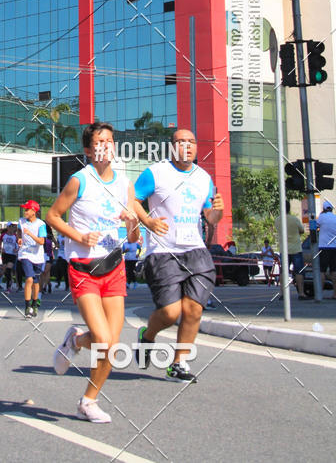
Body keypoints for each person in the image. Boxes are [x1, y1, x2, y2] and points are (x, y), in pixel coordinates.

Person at [47, 122, 139, 424]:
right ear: (88, 150)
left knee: (111, 346)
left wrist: (131, 220)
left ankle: (88, 400)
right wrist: (78, 236)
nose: (106, 146)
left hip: (114, 267)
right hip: (84, 269)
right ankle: (78, 342)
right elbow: (53, 216)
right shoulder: (79, 180)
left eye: (110, 141)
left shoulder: (124, 184)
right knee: (104, 339)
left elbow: (134, 238)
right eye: (99, 142)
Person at [133, 129, 224, 383]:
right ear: (172, 147)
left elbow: (210, 218)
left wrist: (218, 212)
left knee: (193, 309)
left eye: (192, 141)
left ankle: (179, 363)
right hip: (163, 251)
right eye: (181, 141)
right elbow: (132, 201)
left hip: (195, 250)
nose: (187, 145)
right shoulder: (156, 172)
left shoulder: (204, 177)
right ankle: (147, 337)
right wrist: (148, 222)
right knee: (171, 313)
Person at [17, 200, 47, 317]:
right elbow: (19, 232)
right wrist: (19, 238)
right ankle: (27, 306)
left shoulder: (41, 225)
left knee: (35, 282)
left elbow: (41, 241)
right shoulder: (21, 221)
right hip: (25, 254)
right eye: (25, 210)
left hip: (37, 255)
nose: (25, 212)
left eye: (27, 210)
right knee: (29, 278)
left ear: (34, 211)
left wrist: (30, 234)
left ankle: (34, 304)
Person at [275, 200, 307, 299]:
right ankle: (301, 293)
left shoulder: (278, 220)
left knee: (283, 272)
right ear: (289, 208)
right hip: (296, 249)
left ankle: (282, 293)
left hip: (284, 249)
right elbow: (302, 230)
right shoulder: (295, 219)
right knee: (298, 271)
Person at [316, 200, 336, 299]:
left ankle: (320, 293)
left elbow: (315, 226)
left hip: (324, 247)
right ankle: (335, 294)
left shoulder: (322, 217)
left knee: (322, 271)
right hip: (334, 248)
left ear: (324, 208)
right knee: (334, 271)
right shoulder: (335, 218)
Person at [1, 222, 19, 290]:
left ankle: (8, 286)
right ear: (7, 228)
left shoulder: (15, 236)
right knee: (5, 269)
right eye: (9, 227)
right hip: (5, 254)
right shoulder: (3, 235)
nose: (11, 228)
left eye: (12, 227)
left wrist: (17, 249)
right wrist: (1, 249)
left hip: (12, 254)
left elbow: (20, 244)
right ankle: (9, 280)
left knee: (9, 269)